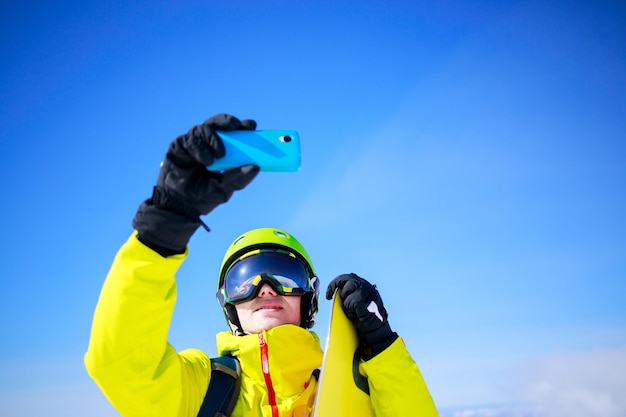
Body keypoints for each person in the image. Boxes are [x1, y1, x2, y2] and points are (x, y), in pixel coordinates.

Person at [85, 114, 439, 417]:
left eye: (285, 276)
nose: (266, 288)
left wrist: (383, 351)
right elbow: (120, 364)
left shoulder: (348, 389)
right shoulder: (202, 389)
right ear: (228, 305)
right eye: (244, 281)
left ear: (310, 300)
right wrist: (159, 232)